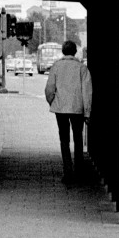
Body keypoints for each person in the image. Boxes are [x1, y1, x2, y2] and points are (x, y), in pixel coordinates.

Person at [44, 40, 92, 185]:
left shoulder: (56, 66)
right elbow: (87, 92)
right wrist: (87, 113)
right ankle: (79, 172)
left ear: (63, 52)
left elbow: (49, 88)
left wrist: (52, 102)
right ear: (75, 52)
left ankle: (67, 172)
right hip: (77, 109)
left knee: (64, 140)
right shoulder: (82, 68)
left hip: (61, 109)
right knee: (78, 139)